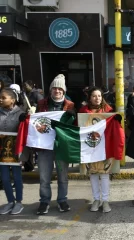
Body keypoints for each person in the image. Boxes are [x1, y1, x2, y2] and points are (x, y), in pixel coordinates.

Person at [35, 74, 75, 215]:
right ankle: (44, 201)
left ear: (64, 91)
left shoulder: (70, 105)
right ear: (50, 90)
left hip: (61, 146)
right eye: (54, 89)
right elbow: (35, 123)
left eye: (60, 89)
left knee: (63, 176)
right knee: (44, 177)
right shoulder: (41, 104)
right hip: (44, 146)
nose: (57, 91)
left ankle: (62, 200)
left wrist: (73, 116)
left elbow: (74, 126)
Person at [78, 87, 118, 213]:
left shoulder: (108, 110)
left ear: (102, 97)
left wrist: (117, 119)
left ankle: (105, 201)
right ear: (89, 97)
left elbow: (115, 128)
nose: (97, 98)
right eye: (94, 96)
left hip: (104, 148)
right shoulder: (84, 111)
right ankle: (96, 199)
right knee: (93, 174)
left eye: (99, 96)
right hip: (89, 147)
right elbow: (78, 127)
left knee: (104, 174)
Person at [0, 88, 26, 215]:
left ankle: (19, 202)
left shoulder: (20, 113)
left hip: (16, 151)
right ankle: (10, 201)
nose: (0, 100)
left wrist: (25, 119)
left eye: (3, 98)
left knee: (17, 177)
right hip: (1, 151)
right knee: (4, 178)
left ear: (13, 100)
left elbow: (26, 132)